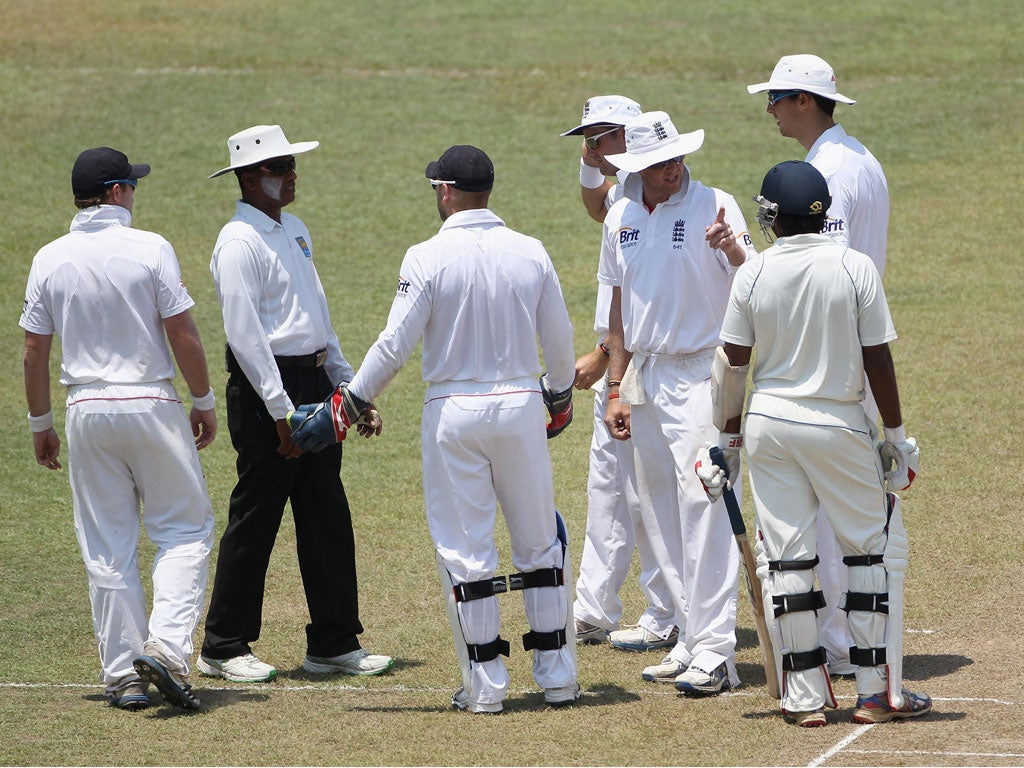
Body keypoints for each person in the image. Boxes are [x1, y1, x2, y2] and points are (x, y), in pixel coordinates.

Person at [288, 145, 580, 714]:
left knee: (467, 551)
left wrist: (346, 405)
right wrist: (560, 395)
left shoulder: (426, 256)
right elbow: (560, 336)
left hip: (454, 410)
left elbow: (394, 345)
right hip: (521, 403)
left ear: (445, 191)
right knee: (540, 541)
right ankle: (559, 678)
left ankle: (486, 687)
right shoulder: (531, 250)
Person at [704, 159, 930, 726]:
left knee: (786, 558)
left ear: (772, 217)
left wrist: (726, 443)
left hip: (769, 425)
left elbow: (732, 364)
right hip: (837, 422)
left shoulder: (753, 272)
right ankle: (876, 692)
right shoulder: (854, 267)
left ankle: (803, 696)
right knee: (871, 552)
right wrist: (896, 437)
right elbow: (878, 359)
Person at [20, 147, 217, 711]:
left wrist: (40, 423)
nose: (134, 193)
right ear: (114, 192)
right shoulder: (150, 247)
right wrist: (203, 401)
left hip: (85, 408)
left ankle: (124, 676)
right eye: (131, 185)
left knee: (107, 544)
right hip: (151, 400)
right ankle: (168, 650)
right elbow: (181, 332)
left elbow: (35, 350)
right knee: (185, 530)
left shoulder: (48, 257)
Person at [199, 124, 392, 683]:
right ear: (250, 178)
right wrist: (281, 411)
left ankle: (334, 642)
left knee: (326, 511)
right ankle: (223, 645)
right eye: (280, 167)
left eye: (291, 165)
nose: (292, 175)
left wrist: (351, 390)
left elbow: (317, 318)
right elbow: (246, 337)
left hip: (313, 384)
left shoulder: (295, 229)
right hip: (268, 391)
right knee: (257, 515)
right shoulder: (238, 242)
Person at [599, 111, 757, 693]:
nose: (673, 168)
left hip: (700, 373)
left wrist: (731, 249)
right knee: (658, 509)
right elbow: (619, 308)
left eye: (676, 157)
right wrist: (616, 385)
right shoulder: (619, 216)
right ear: (635, 167)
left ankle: (716, 652)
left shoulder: (717, 204)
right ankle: (690, 636)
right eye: (659, 162)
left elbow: (754, 277)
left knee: (705, 504)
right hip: (645, 374)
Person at [747, 53, 891, 676]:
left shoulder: (826, 173)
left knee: (830, 517)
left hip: (830, 366)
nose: (770, 110)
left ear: (804, 100)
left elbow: (816, 273)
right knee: (846, 512)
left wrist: (745, 265)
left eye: (776, 98)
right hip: (849, 357)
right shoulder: (859, 158)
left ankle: (835, 646)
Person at [561, 96, 677, 651]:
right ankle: (594, 608)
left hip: (643, 365)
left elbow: (654, 302)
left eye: (598, 137)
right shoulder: (626, 194)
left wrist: (603, 356)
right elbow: (593, 203)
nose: (591, 147)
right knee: (607, 488)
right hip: (619, 366)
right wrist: (589, 162)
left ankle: (666, 611)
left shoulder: (655, 198)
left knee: (648, 492)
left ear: (627, 137)